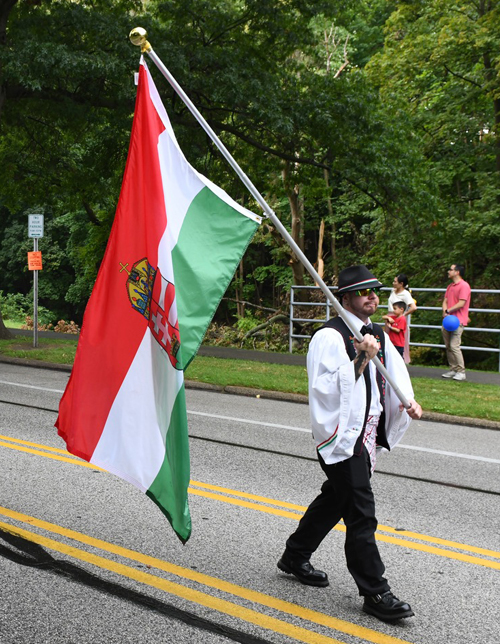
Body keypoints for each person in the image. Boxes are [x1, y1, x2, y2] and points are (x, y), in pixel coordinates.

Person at [277, 265, 422, 623]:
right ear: (345, 298)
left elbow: (392, 378)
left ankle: (295, 555)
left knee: (335, 499)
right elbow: (323, 390)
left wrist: (407, 400)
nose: (372, 296)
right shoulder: (330, 337)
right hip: (343, 436)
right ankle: (375, 592)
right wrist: (361, 356)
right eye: (363, 292)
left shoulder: (377, 334)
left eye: (375, 290)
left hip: (367, 433)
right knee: (361, 511)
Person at [441, 263, 471, 381]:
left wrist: (448, 310)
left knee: (454, 346)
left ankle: (461, 371)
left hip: (458, 321)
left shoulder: (464, 286)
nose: (449, 271)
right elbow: (445, 300)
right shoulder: (450, 286)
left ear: (457, 272)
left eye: (451, 269)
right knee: (448, 346)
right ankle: (453, 369)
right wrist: (444, 311)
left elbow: (461, 303)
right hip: (448, 320)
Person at [382, 274, 417, 363]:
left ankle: (400, 361)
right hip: (390, 316)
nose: (393, 283)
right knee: (388, 339)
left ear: (401, 284)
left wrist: (403, 315)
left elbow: (413, 307)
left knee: (398, 341)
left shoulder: (405, 294)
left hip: (397, 319)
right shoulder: (393, 291)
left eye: (395, 281)